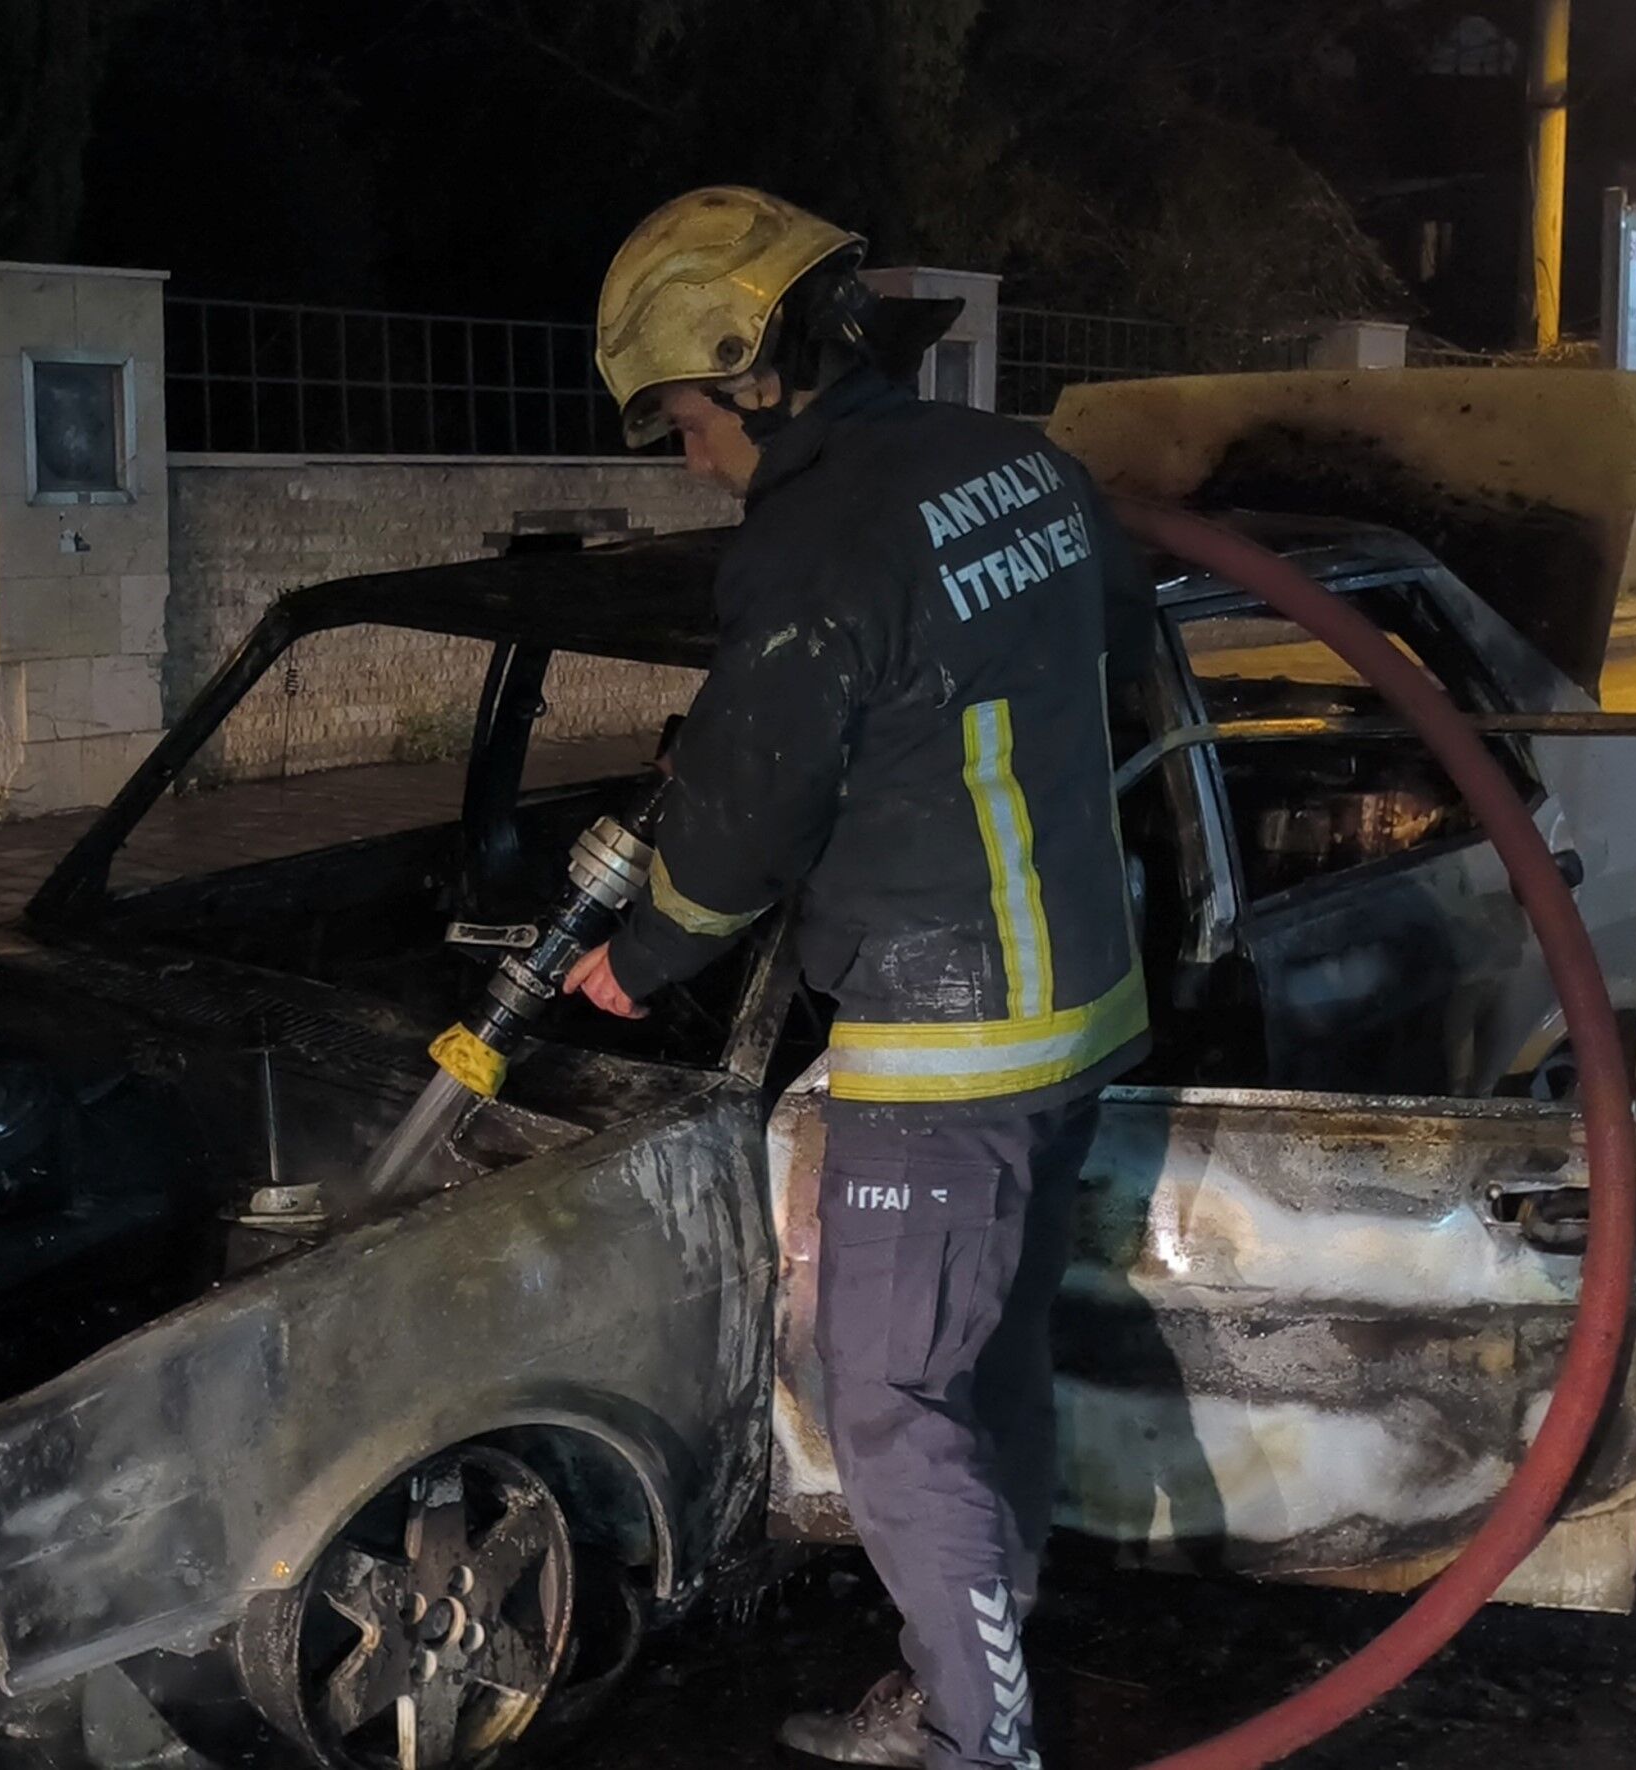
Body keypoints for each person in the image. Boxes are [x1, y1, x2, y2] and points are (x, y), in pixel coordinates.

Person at [563, 187, 1154, 1770]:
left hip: (949, 1035)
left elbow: (743, 815)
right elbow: (1105, 639)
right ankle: (974, 1686)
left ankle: (979, 1742)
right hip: (1081, 1006)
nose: (689, 454)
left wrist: (643, 953)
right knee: (983, 1366)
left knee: (888, 1404)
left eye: (684, 417)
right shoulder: (1015, 463)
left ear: (751, 371)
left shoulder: (814, 540)